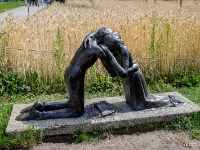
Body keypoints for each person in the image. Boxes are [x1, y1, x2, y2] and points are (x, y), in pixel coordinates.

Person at [16, 27, 169, 121]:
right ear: (107, 44)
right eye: (115, 41)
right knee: (76, 111)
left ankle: (41, 106)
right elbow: (117, 73)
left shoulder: (92, 40)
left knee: (72, 103)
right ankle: (39, 114)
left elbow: (99, 31)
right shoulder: (100, 50)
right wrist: (131, 66)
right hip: (75, 77)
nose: (118, 39)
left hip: (71, 74)